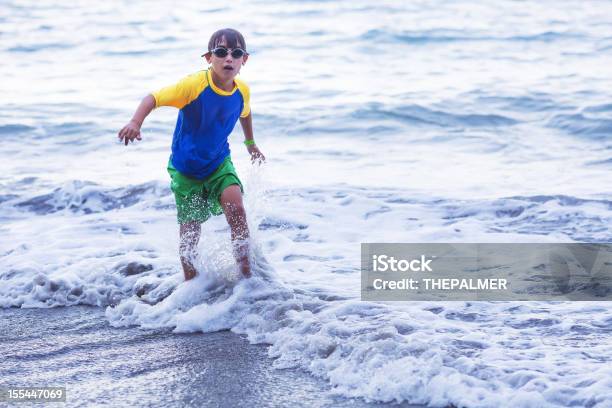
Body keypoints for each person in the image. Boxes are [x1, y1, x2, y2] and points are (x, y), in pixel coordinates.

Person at [117, 28, 264, 280]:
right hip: (186, 170)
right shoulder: (192, 86)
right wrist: (135, 122)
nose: (228, 58)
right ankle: (190, 287)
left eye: (236, 53)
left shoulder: (242, 90)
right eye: (221, 52)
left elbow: (245, 112)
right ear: (209, 58)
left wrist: (250, 144)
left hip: (219, 164)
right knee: (189, 235)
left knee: (237, 211)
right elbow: (153, 98)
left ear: (244, 60)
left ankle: (247, 279)